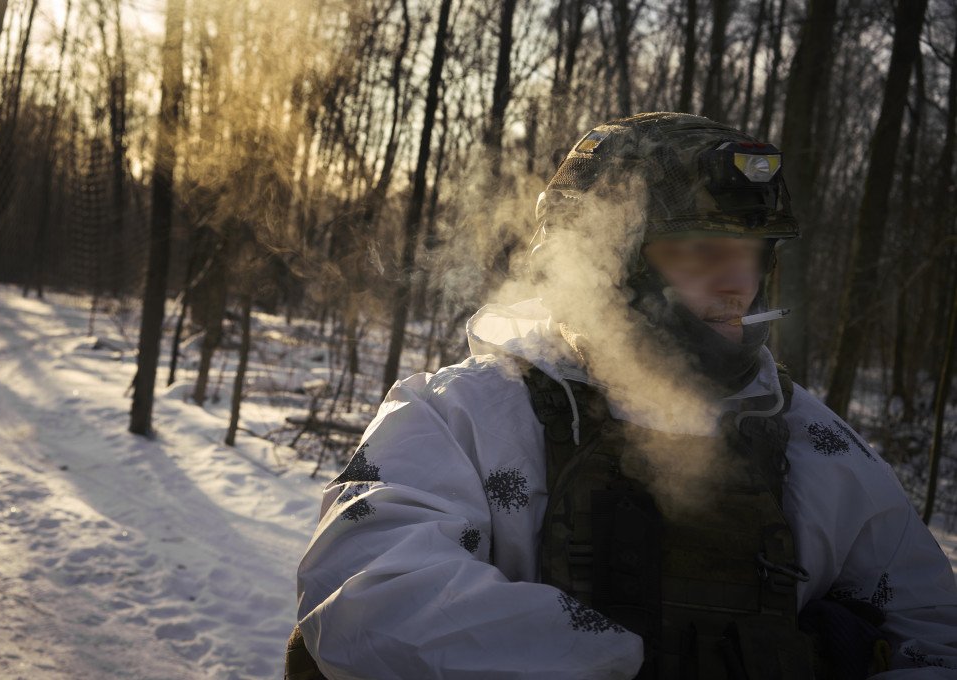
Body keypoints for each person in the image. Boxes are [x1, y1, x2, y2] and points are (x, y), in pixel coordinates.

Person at [289, 112, 957, 679]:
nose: (738, 285)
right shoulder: (462, 413)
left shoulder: (810, 437)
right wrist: (632, 663)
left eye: (753, 253)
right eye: (700, 251)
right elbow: (367, 598)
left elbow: (935, 631)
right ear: (606, 263)